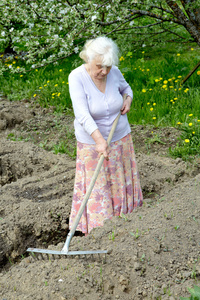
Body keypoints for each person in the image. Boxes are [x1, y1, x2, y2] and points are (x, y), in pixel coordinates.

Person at [68, 36, 143, 235]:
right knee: (97, 186)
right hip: (92, 143)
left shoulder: (114, 72)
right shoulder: (76, 77)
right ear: (87, 59)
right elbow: (82, 114)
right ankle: (98, 231)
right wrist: (99, 141)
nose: (105, 72)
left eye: (108, 67)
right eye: (100, 66)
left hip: (120, 138)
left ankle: (125, 220)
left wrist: (128, 99)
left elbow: (126, 88)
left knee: (120, 180)